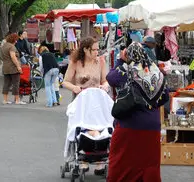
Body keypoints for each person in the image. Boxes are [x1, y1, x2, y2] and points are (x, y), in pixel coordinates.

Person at [106, 43, 168, 182]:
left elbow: (111, 78)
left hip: (129, 126)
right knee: (148, 165)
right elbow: (164, 97)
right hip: (152, 127)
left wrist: (120, 60)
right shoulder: (156, 72)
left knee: (121, 166)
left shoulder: (127, 69)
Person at [61, 37, 109, 175]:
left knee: (100, 125)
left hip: (96, 101)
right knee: (83, 126)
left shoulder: (100, 61)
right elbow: (65, 82)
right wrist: (75, 87)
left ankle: (100, 160)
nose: (96, 52)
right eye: (93, 50)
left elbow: (105, 80)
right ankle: (82, 160)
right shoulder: (75, 62)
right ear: (85, 50)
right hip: (81, 99)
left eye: (97, 49)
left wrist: (104, 86)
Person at [1, 33, 26, 105]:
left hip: (5, 67)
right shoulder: (12, 47)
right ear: (13, 39)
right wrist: (18, 66)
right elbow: (13, 57)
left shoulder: (4, 46)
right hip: (13, 67)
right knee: (16, 83)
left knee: (6, 83)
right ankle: (17, 100)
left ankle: (5, 100)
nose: (17, 41)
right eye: (16, 40)